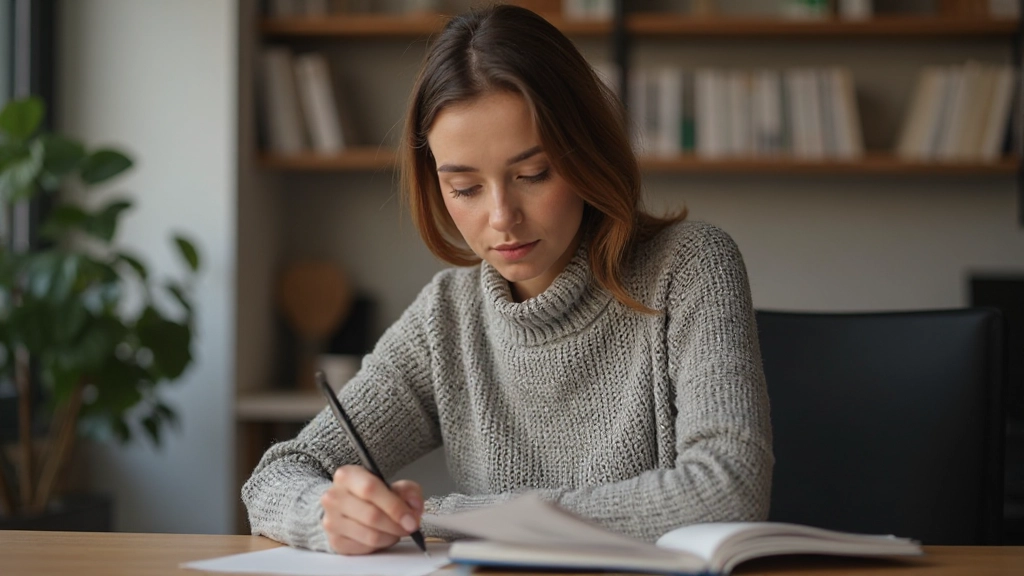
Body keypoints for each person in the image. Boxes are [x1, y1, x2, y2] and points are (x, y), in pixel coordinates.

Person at [242, 4, 772, 556]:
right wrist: (329, 515)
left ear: (587, 151)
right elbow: (276, 477)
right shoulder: (448, 314)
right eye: (466, 187)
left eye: (533, 174)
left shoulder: (690, 268)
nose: (501, 217)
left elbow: (726, 491)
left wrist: (442, 516)